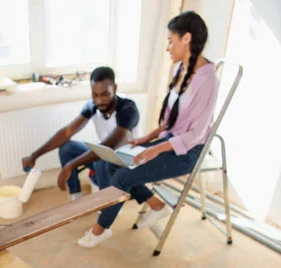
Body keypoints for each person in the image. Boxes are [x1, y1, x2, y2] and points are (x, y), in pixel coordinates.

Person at [77, 11, 218, 249]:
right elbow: (171, 121)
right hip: (169, 141)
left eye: (170, 41)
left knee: (123, 176)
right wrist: (146, 138)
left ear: (186, 39)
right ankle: (156, 204)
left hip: (188, 152)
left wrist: (155, 149)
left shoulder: (207, 80)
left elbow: (194, 134)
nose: (168, 48)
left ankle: (101, 230)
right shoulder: (179, 70)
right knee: (116, 162)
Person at [22, 67, 140, 201]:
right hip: (105, 156)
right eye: (95, 95)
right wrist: (34, 156)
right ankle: (76, 196)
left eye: (105, 94)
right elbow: (67, 132)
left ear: (115, 88)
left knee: (101, 159)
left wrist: (70, 166)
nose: (100, 100)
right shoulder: (93, 106)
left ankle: (106, 204)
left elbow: (109, 145)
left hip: (125, 162)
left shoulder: (128, 109)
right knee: (67, 148)